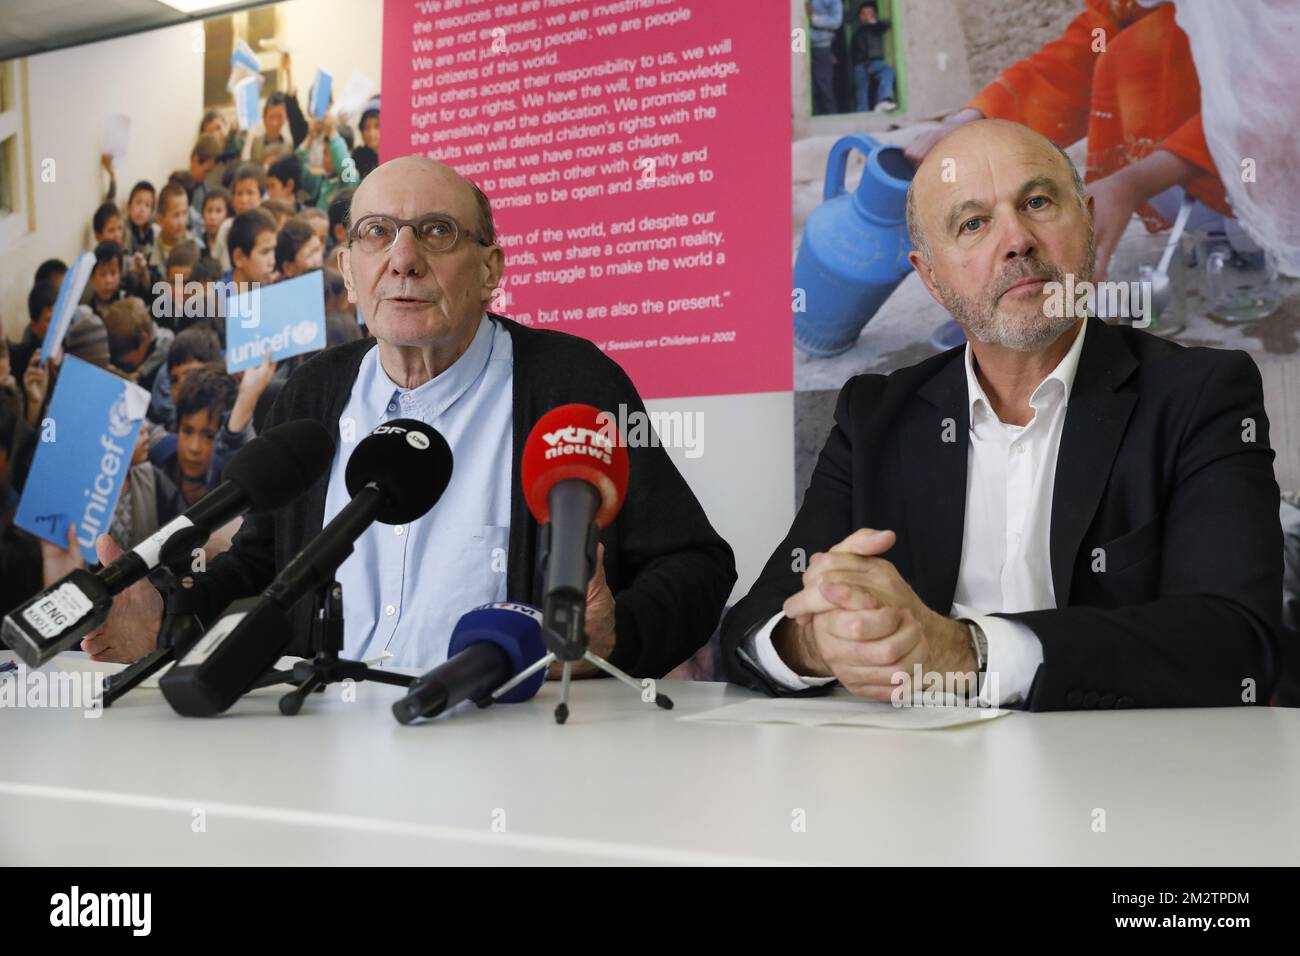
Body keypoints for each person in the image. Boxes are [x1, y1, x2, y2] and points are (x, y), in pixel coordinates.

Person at [81, 155, 736, 680]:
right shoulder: (312, 394)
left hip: (512, 746)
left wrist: (618, 634)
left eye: (436, 231)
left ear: (490, 269)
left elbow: (697, 567)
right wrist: (165, 611)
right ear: (348, 270)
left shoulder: (573, 386)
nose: (403, 258)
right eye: (376, 234)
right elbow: (258, 565)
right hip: (324, 746)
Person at [722, 119, 1281, 711]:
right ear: (931, 277)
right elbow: (754, 627)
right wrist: (821, 643)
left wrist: (967, 654)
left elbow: (1237, 642)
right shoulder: (874, 417)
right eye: (973, 223)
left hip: (1124, 779)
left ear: (1089, 220)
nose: (1017, 239)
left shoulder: (1200, 394)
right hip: (920, 779)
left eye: (1037, 202)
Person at [850, 2, 895, 112]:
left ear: (875, 15)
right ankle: (862, 114)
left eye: (869, 13)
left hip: (875, 63)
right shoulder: (857, 33)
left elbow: (887, 24)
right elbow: (852, 52)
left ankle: (884, 100)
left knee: (888, 71)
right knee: (861, 92)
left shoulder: (877, 27)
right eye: (863, 14)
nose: (866, 16)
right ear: (860, 16)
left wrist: (875, 22)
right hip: (860, 66)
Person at [808, 0, 843, 115]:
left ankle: (831, 118)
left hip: (821, 44)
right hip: (799, 43)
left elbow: (836, 21)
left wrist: (813, 18)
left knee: (824, 85)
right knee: (805, 86)